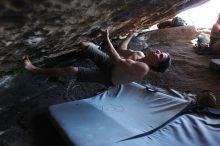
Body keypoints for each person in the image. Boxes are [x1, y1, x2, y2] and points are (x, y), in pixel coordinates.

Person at [24, 29, 171, 86]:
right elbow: (121, 50)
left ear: (157, 64)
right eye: (160, 51)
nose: (158, 51)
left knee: (72, 70)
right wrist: (130, 35)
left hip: (108, 76)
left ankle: (35, 69)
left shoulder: (143, 68)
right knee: (84, 44)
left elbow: (118, 60)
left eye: (160, 55)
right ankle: (57, 71)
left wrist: (106, 39)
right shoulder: (140, 55)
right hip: (110, 63)